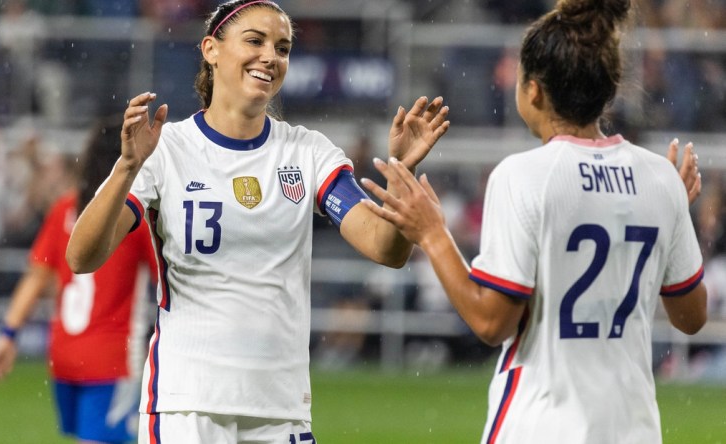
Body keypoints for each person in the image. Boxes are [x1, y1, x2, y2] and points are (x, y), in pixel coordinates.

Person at [65, 1, 450, 442]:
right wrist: (127, 168)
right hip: (190, 402)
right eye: (255, 40)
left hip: (280, 407)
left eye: (282, 47)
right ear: (211, 49)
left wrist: (401, 171)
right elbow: (81, 256)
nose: (271, 56)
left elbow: (385, 248)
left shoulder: (307, 152)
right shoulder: (166, 148)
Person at [360, 0, 707, 443]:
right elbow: (691, 317)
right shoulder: (660, 178)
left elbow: (492, 322)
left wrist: (433, 235)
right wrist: (671, 210)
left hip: (541, 424)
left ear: (534, 91)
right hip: (632, 429)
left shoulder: (523, 175)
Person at [0, 116, 158, 444]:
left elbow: (37, 277)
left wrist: (8, 334)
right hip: (113, 358)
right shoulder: (134, 217)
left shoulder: (64, 208)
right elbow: (166, 277)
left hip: (65, 355)